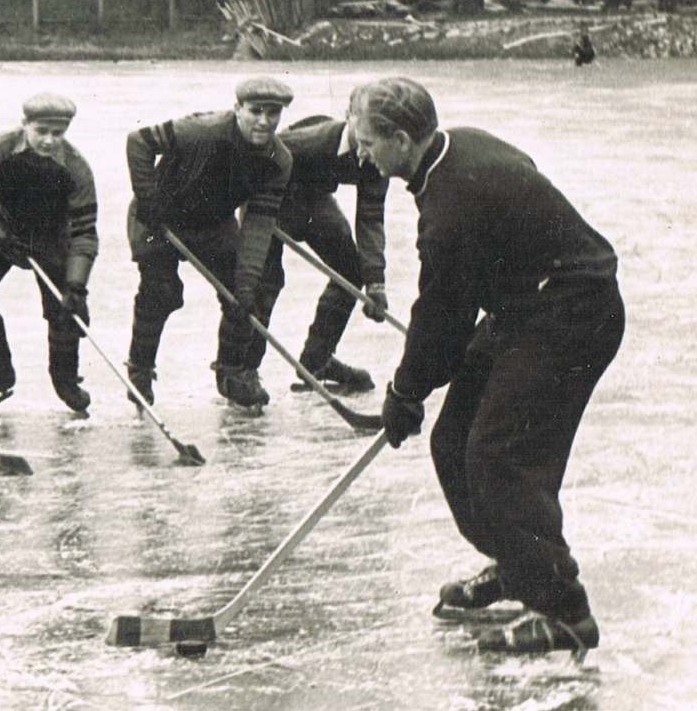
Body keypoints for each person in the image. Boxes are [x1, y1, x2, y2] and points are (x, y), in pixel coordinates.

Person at [354, 77, 624, 656]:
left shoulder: (452, 203)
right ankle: (521, 564)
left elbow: (443, 317)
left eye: (368, 142)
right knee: (453, 443)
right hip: (526, 306)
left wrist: (405, 390)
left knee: (500, 457)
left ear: (401, 140)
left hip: (574, 312)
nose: (360, 153)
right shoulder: (457, 150)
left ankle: (565, 612)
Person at [125, 77, 293, 410]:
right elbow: (138, 141)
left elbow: (258, 225)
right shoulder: (202, 130)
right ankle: (140, 371)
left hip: (214, 225)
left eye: (272, 113)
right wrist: (148, 198)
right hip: (158, 218)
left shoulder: (279, 160)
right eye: (255, 111)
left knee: (245, 295)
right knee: (161, 291)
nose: (264, 121)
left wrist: (246, 285)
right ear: (238, 109)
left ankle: (231, 375)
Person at [0, 93, 99, 415]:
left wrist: (76, 285)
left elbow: (85, 233)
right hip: (0, 227)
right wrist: (3, 237)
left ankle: (65, 380)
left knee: (65, 309)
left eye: (58, 133)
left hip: (52, 237)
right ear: (25, 124)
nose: (49, 140)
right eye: (41, 131)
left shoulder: (76, 167)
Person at [242, 104, 390, 395]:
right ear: (349, 119)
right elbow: (251, 164)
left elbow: (371, 217)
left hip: (312, 196)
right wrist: (257, 215)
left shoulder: (379, 158)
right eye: (363, 139)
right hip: (267, 194)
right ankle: (242, 371)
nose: (367, 152)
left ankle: (316, 361)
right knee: (265, 281)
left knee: (351, 272)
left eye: (375, 141)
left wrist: (376, 282)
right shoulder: (311, 141)